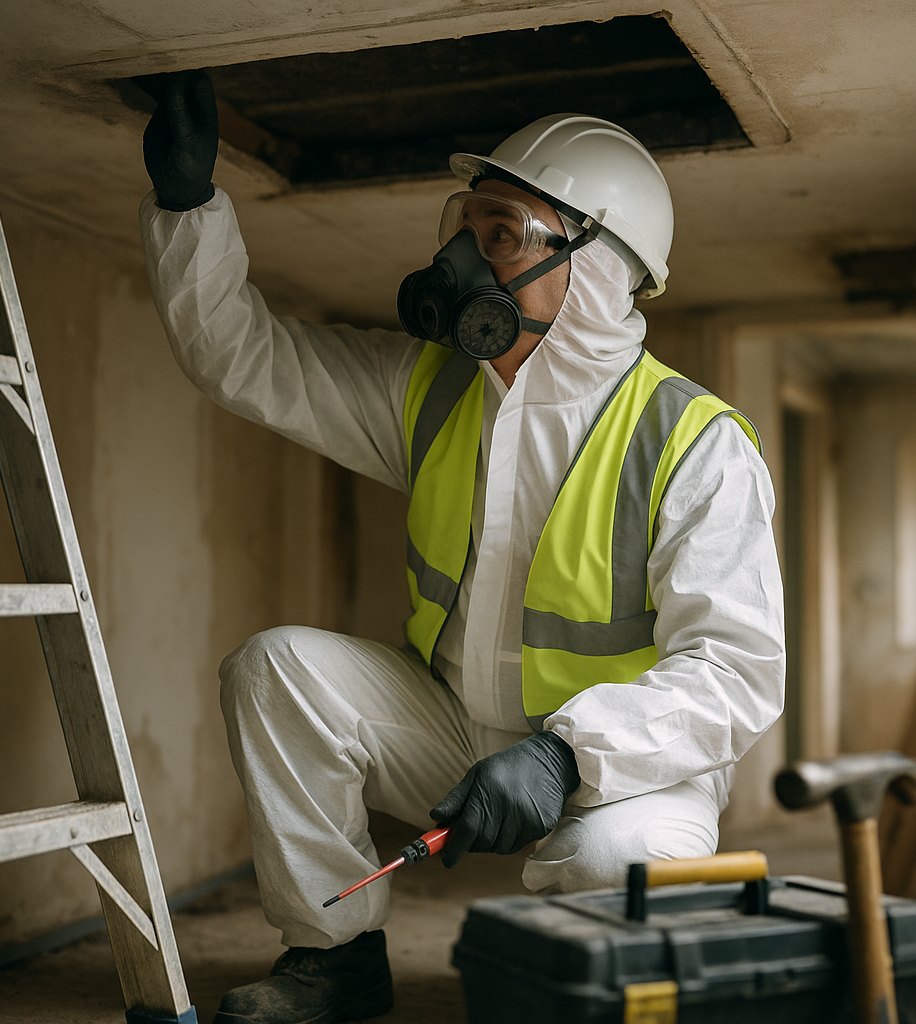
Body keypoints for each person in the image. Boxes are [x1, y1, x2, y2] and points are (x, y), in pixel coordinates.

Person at [138, 70, 785, 1024]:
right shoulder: (432, 389)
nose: (463, 257)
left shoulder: (695, 442)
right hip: (453, 726)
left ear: (597, 264)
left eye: (503, 233)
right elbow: (247, 358)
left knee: (620, 871)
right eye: (467, 225)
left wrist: (567, 757)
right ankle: (334, 959)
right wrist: (188, 208)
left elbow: (736, 670)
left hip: (622, 774)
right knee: (277, 671)